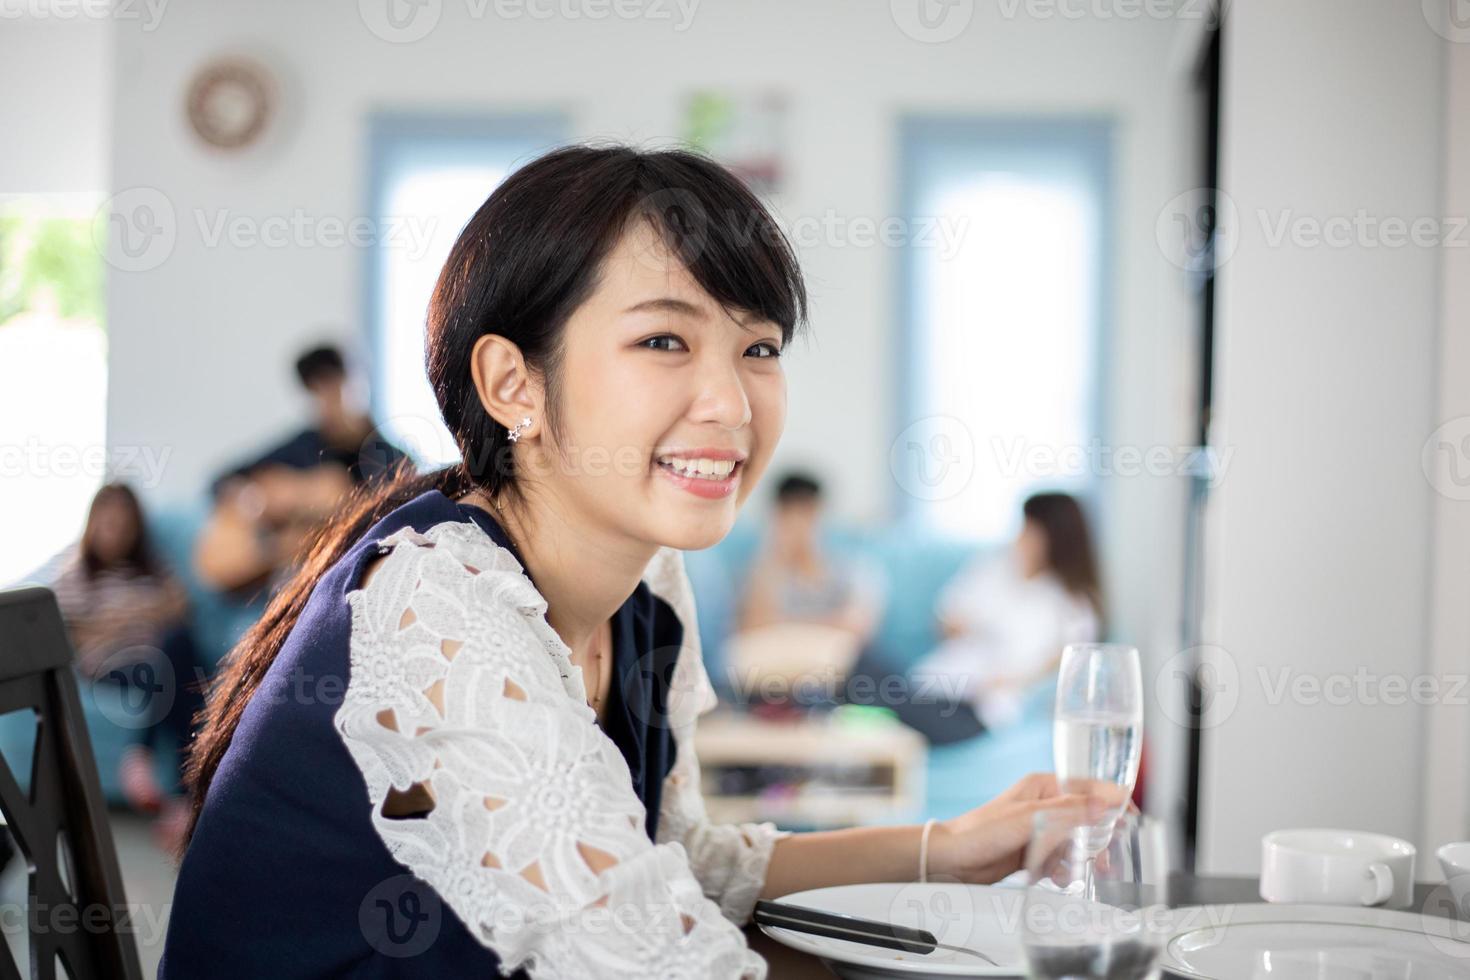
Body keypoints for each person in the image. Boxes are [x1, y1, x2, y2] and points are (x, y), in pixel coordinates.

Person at [161, 145, 1101, 979]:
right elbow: (653, 957)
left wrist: (950, 845)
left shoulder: (648, 582)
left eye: (759, 347)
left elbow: (674, 854)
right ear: (510, 383)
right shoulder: (437, 603)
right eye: (664, 340)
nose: (732, 403)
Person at [858, 492, 1103, 745]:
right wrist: (968, 628)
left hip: (978, 709)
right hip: (935, 685)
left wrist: (1006, 679)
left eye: (1031, 530)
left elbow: (1067, 668)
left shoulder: (1072, 604)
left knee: (873, 686)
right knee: (870, 672)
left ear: (1057, 537)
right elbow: (946, 620)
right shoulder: (994, 566)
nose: (1021, 538)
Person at [50, 482, 207, 849]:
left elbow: (181, 610)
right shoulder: (75, 573)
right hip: (112, 662)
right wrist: (133, 617)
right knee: (167, 673)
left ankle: (168, 786)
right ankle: (150, 764)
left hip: (156, 658)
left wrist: (121, 617)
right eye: (108, 524)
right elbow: (67, 631)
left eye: (124, 525)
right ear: (93, 525)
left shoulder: (153, 569)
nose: (115, 532)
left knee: (181, 655)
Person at [193, 343, 407, 596]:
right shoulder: (302, 445)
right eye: (316, 388)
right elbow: (220, 481)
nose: (327, 398)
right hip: (285, 578)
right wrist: (258, 502)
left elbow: (399, 519)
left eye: (334, 383)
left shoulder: (392, 458)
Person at [737, 471, 885, 640]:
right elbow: (753, 628)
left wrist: (787, 626)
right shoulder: (762, 570)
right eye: (788, 515)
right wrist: (777, 562)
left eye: (805, 513)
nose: (798, 525)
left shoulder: (850, 567)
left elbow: (856, 625)